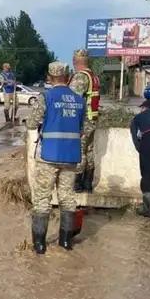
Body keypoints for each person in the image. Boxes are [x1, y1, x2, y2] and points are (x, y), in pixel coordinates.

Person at [27, 61, 85, 254]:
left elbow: (32, 123)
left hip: (48, 156)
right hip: (71, 156)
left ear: (50, 78)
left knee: (42, 198)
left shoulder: (45, 97)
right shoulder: (79, 99)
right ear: (67, 77)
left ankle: (40, 245)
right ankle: (66, 242)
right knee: (67, 197)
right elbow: (83, 128)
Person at [69, 49, 100, 193]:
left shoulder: (81, 77)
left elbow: (72, 100)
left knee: (79, 151)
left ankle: (78, 184)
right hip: (92, 119)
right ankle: (88, 184)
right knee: (89, 151)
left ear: (75, 61)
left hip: (82, 121)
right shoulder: (93, 76)